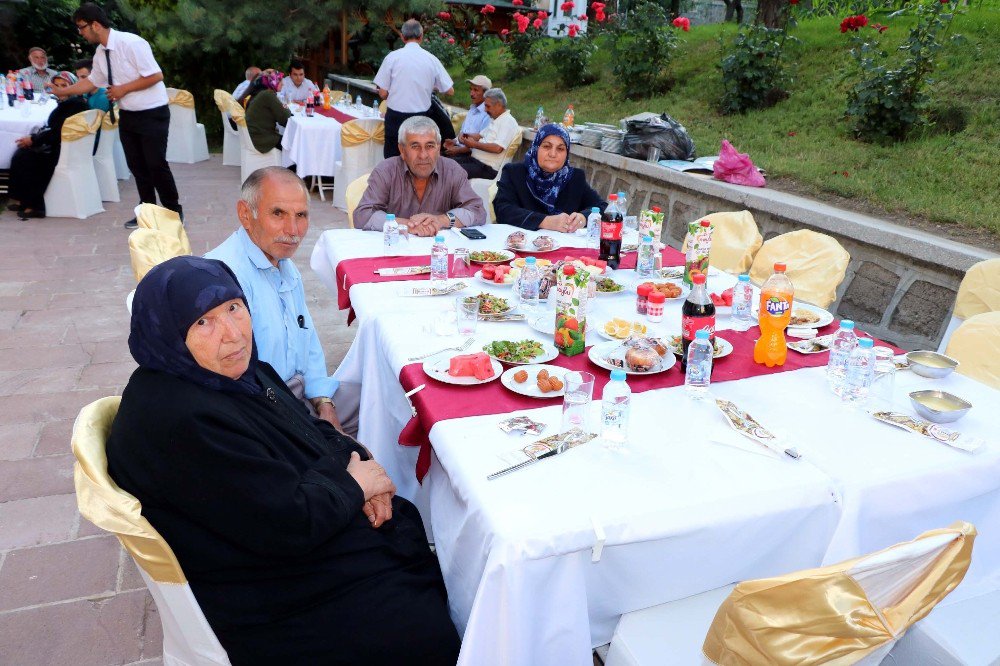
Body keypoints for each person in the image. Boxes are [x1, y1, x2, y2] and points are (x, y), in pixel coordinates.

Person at [107, 255, 461, 666]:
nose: (233, 334)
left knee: (410, 542)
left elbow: (310, 429)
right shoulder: (182, 421)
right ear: (168, 333)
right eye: (204, 322)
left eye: (234, 309)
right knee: (421, 631)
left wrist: (360, 464)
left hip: (285, 539)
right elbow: (284, 524)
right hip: (264, 588)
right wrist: (355, 485)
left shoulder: (233, 374)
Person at [205, 167, 357, 434]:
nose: (293, 229)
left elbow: (306, 337)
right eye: (278, 213)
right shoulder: (226, 280)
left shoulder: (282, 263)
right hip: (262, 410)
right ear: (245, 215)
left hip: (295, 392)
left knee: (386, 401)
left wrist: (324, 402)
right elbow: (232, 386)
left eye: (301, 215)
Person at [59, 3, 181, 230]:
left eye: (82, 27)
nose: (80, 32)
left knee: (156, 164)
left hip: (153, 112)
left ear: (96, 25)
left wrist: (123, 89)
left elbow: (156, 75)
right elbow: (91, 82)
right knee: (137, 167)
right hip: (128, 115)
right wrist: (62, 91)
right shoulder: (100, 54)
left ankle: (173, 213)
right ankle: (147, 212)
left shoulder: (131, 43)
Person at [354, 116, 486, 234]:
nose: (423, 155)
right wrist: (407, 226)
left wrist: (441, 220)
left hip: (438, 252)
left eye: (430, 146)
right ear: (402, 150)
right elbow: (362, 216)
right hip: (394, 251)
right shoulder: (386, 171)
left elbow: (478, 211)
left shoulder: (452, 171)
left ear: (438, 148)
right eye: (415, 146)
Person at [6, 73, 89, 220]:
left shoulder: (75, 104)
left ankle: (35, 205)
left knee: (27, 157)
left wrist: (33, 139)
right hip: (65, 144)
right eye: (56, 86)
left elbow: (58, 131)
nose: (60, 89)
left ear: (74, 87)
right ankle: (23, 199)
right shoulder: (72, 103)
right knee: (22, 154)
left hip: (63, 149)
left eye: (64, 86)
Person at [494, 123, 605, 232]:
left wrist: (583, 218)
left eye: (560, 149)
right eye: (547, 146)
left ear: (567, 153)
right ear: (536, 148)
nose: (553, 154)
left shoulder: (574, 177)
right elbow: (503, 209)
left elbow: (602, 206)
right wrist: (545, 221)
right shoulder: (514, 172)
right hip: (520, 243)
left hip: (562, 246)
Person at [373, 19, 455, 159]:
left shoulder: (392, 58)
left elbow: (382, 93)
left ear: (402, 37)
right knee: (417, 159)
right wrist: (430, 86)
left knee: (392, 161)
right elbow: (450, 91)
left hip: (395, 118)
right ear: (421, 36)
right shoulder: (431, 59)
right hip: (421, 118)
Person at [451, 88, 521, 180]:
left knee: (450, 171)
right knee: (445, 163)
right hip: (475, 161)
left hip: (487, 168)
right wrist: (464, 136)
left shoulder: (508, 122)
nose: (485, 109)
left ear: (499, 105)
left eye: (488, 106)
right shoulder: (495, 119)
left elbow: (497, 148)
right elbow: (479, 136)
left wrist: (474, 144)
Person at [442, 75, 492, 158]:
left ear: (486, 94)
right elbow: (463, 133)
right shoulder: (472, 109)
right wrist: (454, 141)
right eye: (471, 89)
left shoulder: (488, 114)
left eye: (476, 90)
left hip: (471, 156)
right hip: (460, 150)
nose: (471, 93)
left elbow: (481, 144)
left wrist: (457, 150)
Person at [243, 70, 290, 154]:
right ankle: (293, 167)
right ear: (274, 82)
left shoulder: (262, 93)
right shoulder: (268, 94)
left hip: (254, 136)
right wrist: (286, 108)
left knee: (288, 141)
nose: (283, 84)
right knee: (291, 144)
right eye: (280, 81)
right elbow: (285, 119)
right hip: (261, 139)